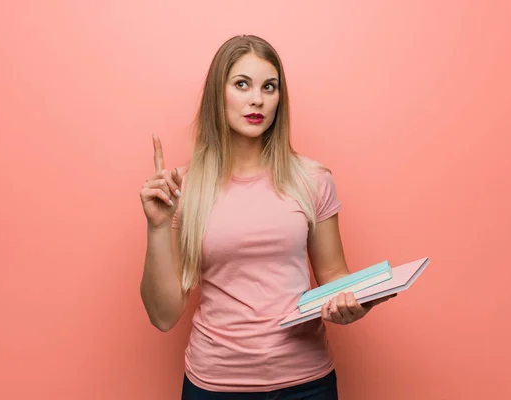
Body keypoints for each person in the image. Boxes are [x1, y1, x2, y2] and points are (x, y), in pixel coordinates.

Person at [139, 34, 394, 400]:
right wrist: (158, 226)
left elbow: (334, 277)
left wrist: (355, 303)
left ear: (279, 99)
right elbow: (163, 316)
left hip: (306, 384)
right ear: (218, 94)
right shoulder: (184, 188)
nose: (257, 99)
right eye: (242, 84)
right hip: (215, 385)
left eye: (269, 87)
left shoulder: (313, 179)